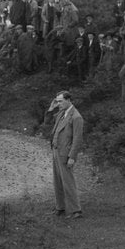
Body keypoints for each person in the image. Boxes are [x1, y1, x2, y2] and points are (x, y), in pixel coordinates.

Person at [48, 90, 84, 219]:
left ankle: (75, 210)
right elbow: (48, 121)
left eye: (61, 101)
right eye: (57, 101)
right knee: (57, 181)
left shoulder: (76, 117)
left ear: (69, 100)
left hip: (66, 154)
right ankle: (60, 207)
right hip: (56, 151)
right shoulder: (61, 114)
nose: (59, 104)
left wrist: (72, 157)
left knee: (68, 182)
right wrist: (52, 108)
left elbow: (77, 139)